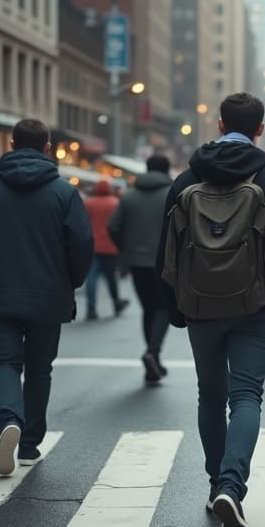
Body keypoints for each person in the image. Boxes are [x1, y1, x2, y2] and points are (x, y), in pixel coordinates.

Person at [158, 92, 265, 527]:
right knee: (246, 397)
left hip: (200, 305)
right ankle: (231, 486)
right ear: (260, 129)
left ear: (220, 125)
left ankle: (214, 483)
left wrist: (175, 307)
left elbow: (165, 251)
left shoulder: (186, 180)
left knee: (210, 396)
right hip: (258, 306)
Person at [0, 119, 94, 476]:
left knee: (7, 361)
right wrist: (72, 281)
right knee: (39, 368)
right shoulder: (64, 192)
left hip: (1, 292)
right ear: (47, 147)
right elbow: (82, 243)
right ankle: (29, 443)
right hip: (50, 294)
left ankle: (10, 418)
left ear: (11, 144)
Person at [108, 155, 174, 385]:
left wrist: (125, 250)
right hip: (164, 262)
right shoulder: (172, 194)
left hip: (137, 262)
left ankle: (152, 357)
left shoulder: (129, 196)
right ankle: (153, 351)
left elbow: (113, 226)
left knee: (148, 308)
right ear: (166, 170)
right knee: (164, 308)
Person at [84, 180, 130, 321]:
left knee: (91, 278)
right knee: (111, 278)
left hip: (92, 246)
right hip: (110, 247)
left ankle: (91, 308)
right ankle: (116, 302)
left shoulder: (88, 203)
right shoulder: (114, 203)